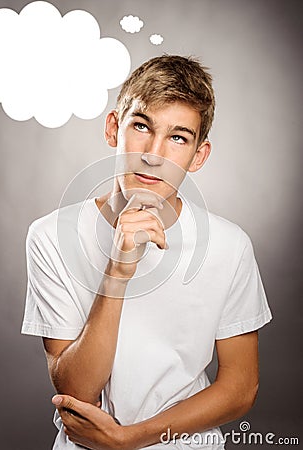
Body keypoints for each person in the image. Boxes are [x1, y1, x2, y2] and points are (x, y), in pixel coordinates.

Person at [21, 55, 272, 450]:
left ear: (199, 155)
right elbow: (75, 389)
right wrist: (118, 272)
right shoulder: (51, 236)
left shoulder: (230, 245)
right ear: (112, 128)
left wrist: (128, 439)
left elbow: (240, 387)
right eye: (141, 126)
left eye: (178, 137)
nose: (153, 154)